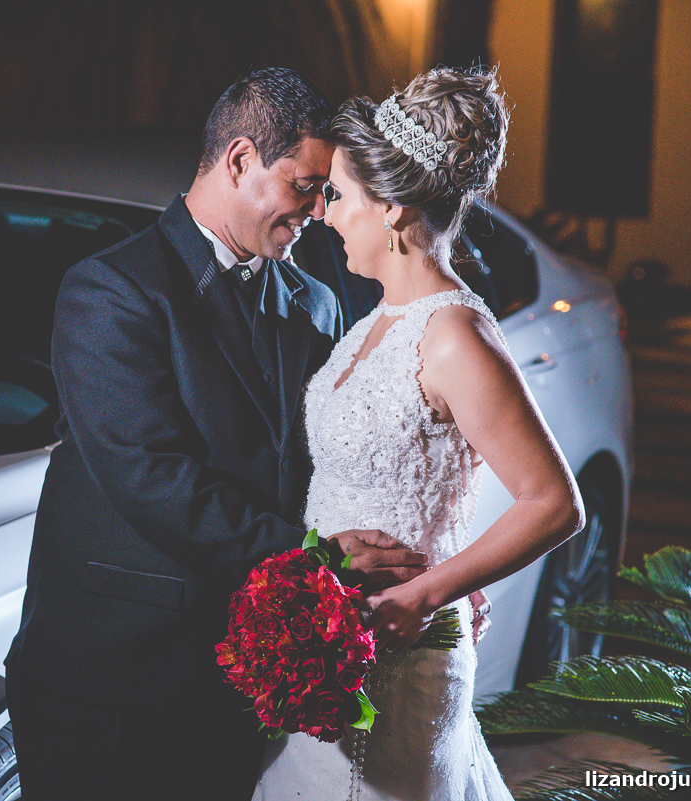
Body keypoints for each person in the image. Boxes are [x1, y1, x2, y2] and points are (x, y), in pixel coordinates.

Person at [4, 67, 434, 801]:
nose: (316, 208)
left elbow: (321, 460)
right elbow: (149, 477)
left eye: (326, 191)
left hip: (248, 682)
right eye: (305, 184)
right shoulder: (112, 289)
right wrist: (315, 556)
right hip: (114, 682)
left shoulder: (316, 302)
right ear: (240, 160)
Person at [253, 67, 584, 800]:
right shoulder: (372, 322)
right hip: (333, 646)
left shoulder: (453, 335)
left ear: (394, 209)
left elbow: (553, 502)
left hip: (399, 655)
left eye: (340, 197)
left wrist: (432, 590)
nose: (327, 214)